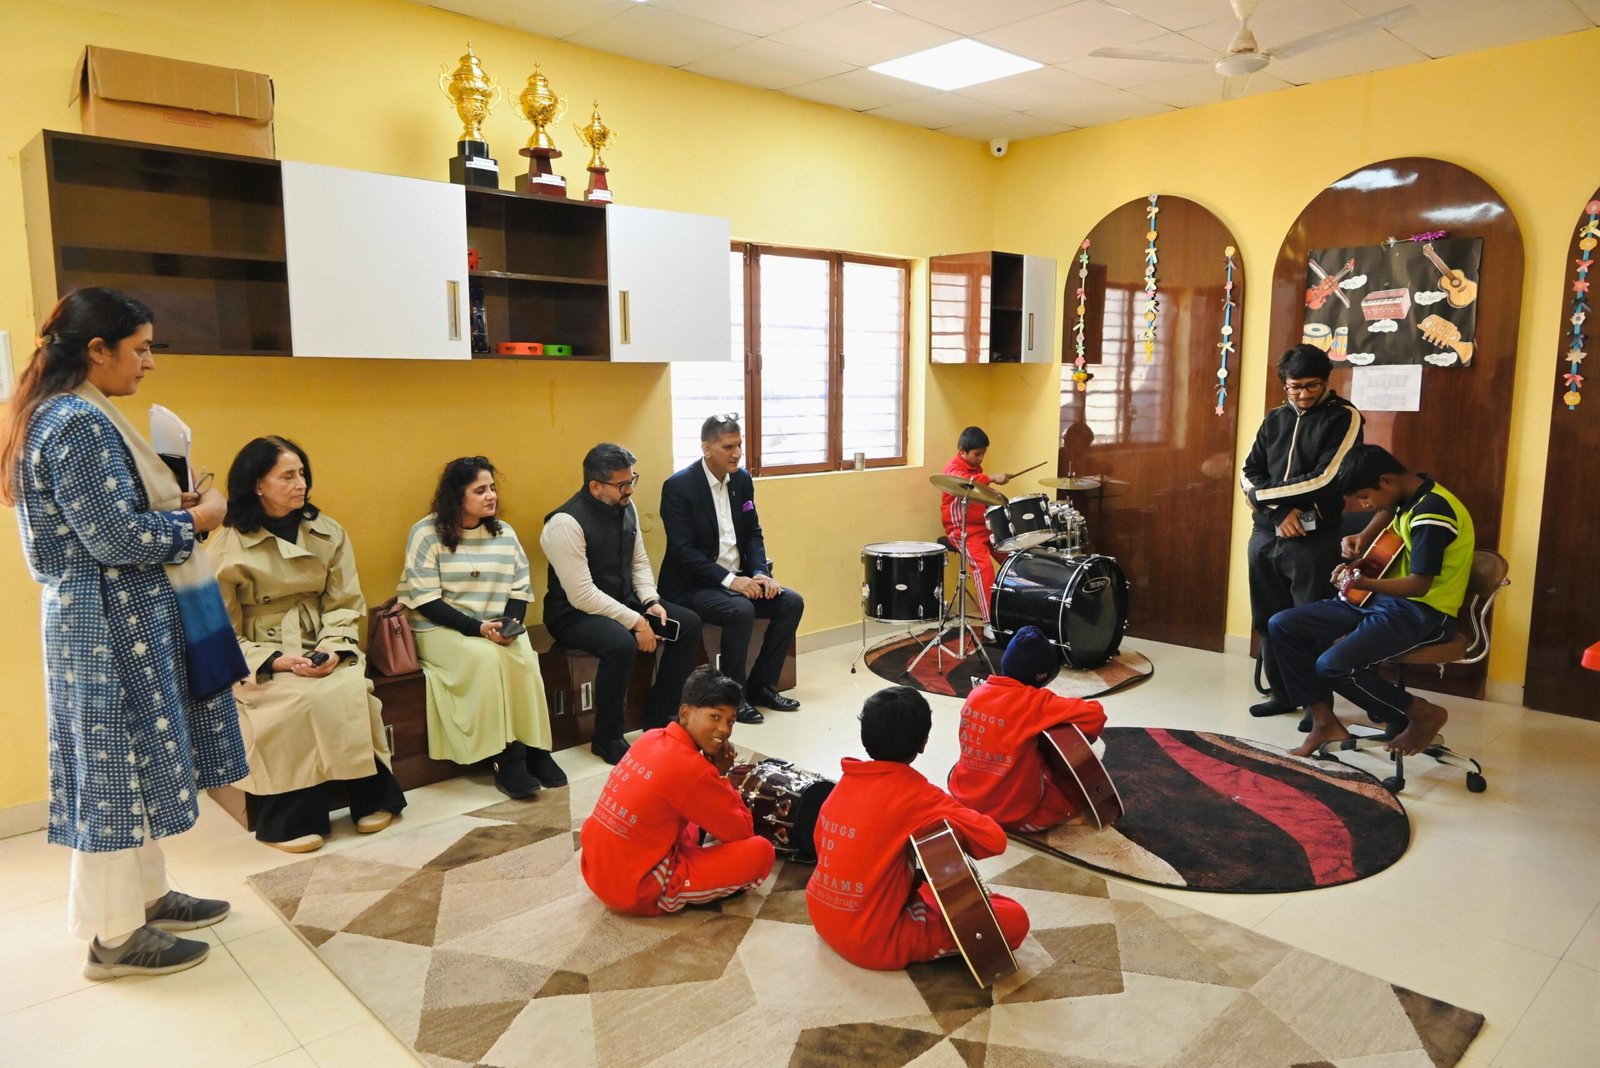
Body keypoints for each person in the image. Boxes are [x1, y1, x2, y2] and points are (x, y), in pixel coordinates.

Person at [1, 288, 248, 979]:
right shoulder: (77, 421)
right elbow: (116, 539)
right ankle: (114, 937)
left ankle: (146, 896)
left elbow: (111, 520)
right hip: (103, 621)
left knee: (128, 764)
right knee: (111, 771)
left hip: (106, 616)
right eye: (139, 349)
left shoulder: (61, 411)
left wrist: (176, 509)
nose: (149, 362)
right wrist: (201, 518)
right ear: (96, 350)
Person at [210, 436, 406, 852]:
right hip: (261, 653)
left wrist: (334, 648)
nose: (301, 484)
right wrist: (274, 660)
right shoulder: (226, 546)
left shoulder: (327, 531)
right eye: (287, 476)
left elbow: (344, 603)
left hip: (322, 639)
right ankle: (291, 819)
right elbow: (221, 631)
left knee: (347, 690)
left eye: (302, 474)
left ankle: (373, 798)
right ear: (257, 484)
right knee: (294, 701)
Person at [1270, 445, 1473, 759]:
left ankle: (1422, 713)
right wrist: (1363, 539)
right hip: (1379, 600)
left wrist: (1363, 582)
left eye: (1365, 497)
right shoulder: (1411, 494)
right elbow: (1388, 511)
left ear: (1387, 481)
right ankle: (1324, 723)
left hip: (1423, 611)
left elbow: (1419, 585)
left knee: (1332, 666)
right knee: (1283, 625)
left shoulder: (1433, 513)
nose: (1365, 505)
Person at [806, 686, 1030, 971]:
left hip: (821, 915)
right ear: (923, 742)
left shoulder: (842, 786)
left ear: (865, 737)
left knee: (923, 885)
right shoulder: (920, 797)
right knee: (1012, 918)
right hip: (873, 942)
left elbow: (823, 847)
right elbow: (994, 839)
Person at [399, 457, 563, 800]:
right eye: (480, 490)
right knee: (486, 660)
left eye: (492, 488)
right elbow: (425, 600)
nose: (491, 496)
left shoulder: (504, 533)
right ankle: (504, 758)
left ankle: (537, 750)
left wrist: (509, 626)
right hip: (439, 629)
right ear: (456, 496)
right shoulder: (425, 533)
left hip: (494, 627)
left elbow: (519, 588)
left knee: (524, 658)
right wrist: (477, 628)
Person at [541, 443, 704, 765]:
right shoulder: (564, 524)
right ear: (595, 486)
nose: (630, 489)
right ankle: (607, 737)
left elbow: (638, 562)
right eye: (622, 484)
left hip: (621, 600)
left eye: (632, 480)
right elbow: (582, 594)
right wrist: (637, 622)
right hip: (572, 613)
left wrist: (651, 601)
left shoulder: (627, 507)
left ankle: (660, 715)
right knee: (619, 644)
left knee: (688, 624)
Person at [580, 666, 776, 915]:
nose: (725, 730)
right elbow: (742, 832)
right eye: (715, 717)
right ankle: (673, 889)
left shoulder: (650, 737)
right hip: (636, 888)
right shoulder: (693, 769)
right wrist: (721, 776)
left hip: (595, 868)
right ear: (685, 713)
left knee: (688, 816)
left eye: (730, 721)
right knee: (760, 852)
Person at [1240, 344, 1364, 727]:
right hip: (1266, 533)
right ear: (1285, 385)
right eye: (1295, 387)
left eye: (1312, 385)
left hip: (1313, 539)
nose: (1304, 394)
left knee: (1307, 622)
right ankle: (1283, 694)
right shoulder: (1275, 418)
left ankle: (1317, 706)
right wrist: (1277, 511)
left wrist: (1261, 497)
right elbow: (1248, 472)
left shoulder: (1344, 416)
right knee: (1267, 618)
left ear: (1326, 381)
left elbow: (1327, 477)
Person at [659, 414, 804, 726]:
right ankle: (733, 697)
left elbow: (752, 533)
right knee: (740, 610)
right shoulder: (678, 487)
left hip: (737, 579)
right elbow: (683, 551)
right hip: (693, 585)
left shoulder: (741, 480)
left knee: (791, 602)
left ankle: (761, 686)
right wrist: (730, 581)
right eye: (728, 447)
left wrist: (760, 572)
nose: (737, 453)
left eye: (739, 445)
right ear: (706, 448)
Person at [947, 626, 1108, 831]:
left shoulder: (976, 693)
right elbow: (1095, 715)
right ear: (1043, 677)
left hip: (965, 800)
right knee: (1069, 793)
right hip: (1011, 815)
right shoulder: (1036, 702)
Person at [940, 426, 1010, 640]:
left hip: (984, 527)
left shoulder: (976, 469)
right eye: (977, 454)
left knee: (1012, 559)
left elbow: (979, 489)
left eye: (983, 454)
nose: (980, 458)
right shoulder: (953, 469)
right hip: (960, 530)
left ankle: (1013, 612)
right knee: (983, 567)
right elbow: (966, 484)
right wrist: (992, 478)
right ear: (962, 451)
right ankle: (989, 621)